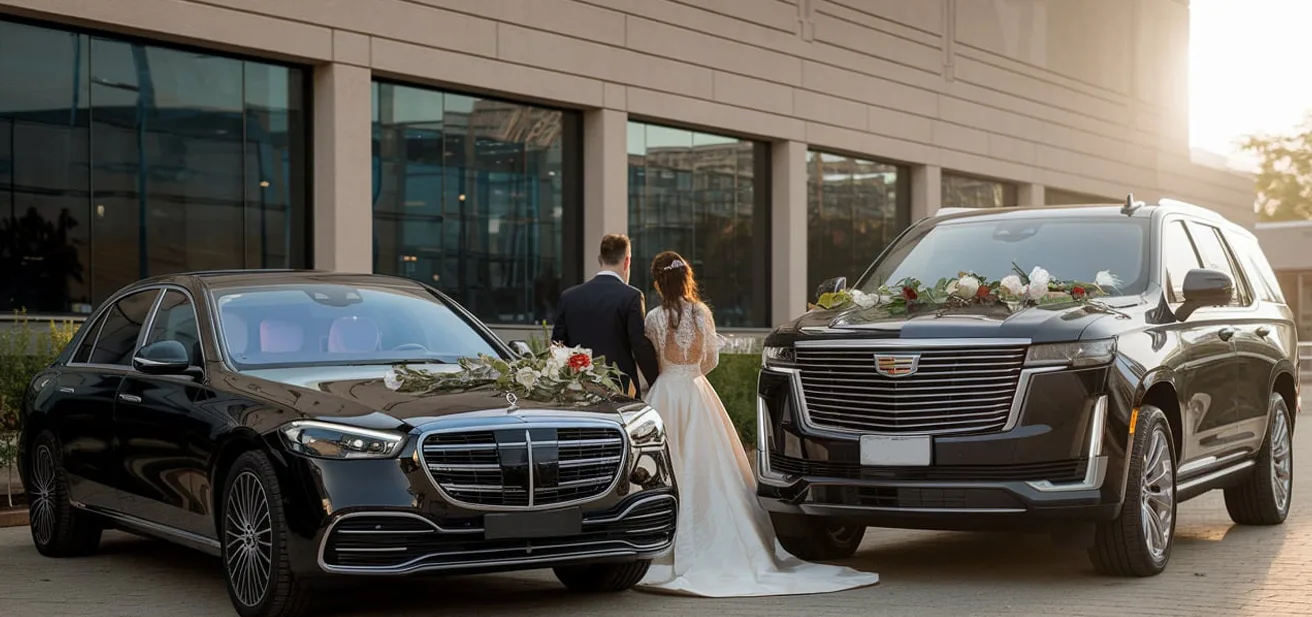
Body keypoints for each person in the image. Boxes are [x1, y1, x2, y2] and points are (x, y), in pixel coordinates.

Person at [636, 251, 880, 597]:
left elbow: (652, 358)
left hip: (665, 393)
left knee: (665, 468)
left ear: (659, 281)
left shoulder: (655, 318)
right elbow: (710, 359)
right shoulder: (702, 313)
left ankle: (660, 546)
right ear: (687, 277)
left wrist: (670, 376)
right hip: (695, 391)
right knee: (708, 467)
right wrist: (691, 375)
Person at [552, 234, 660, 396]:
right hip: (620, 389)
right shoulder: (631, 296)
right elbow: (639, 346)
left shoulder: (569, 297)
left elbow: (557, 346)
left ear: (600, 259)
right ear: (627, 261)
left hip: (577, 388)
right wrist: (656, 383)